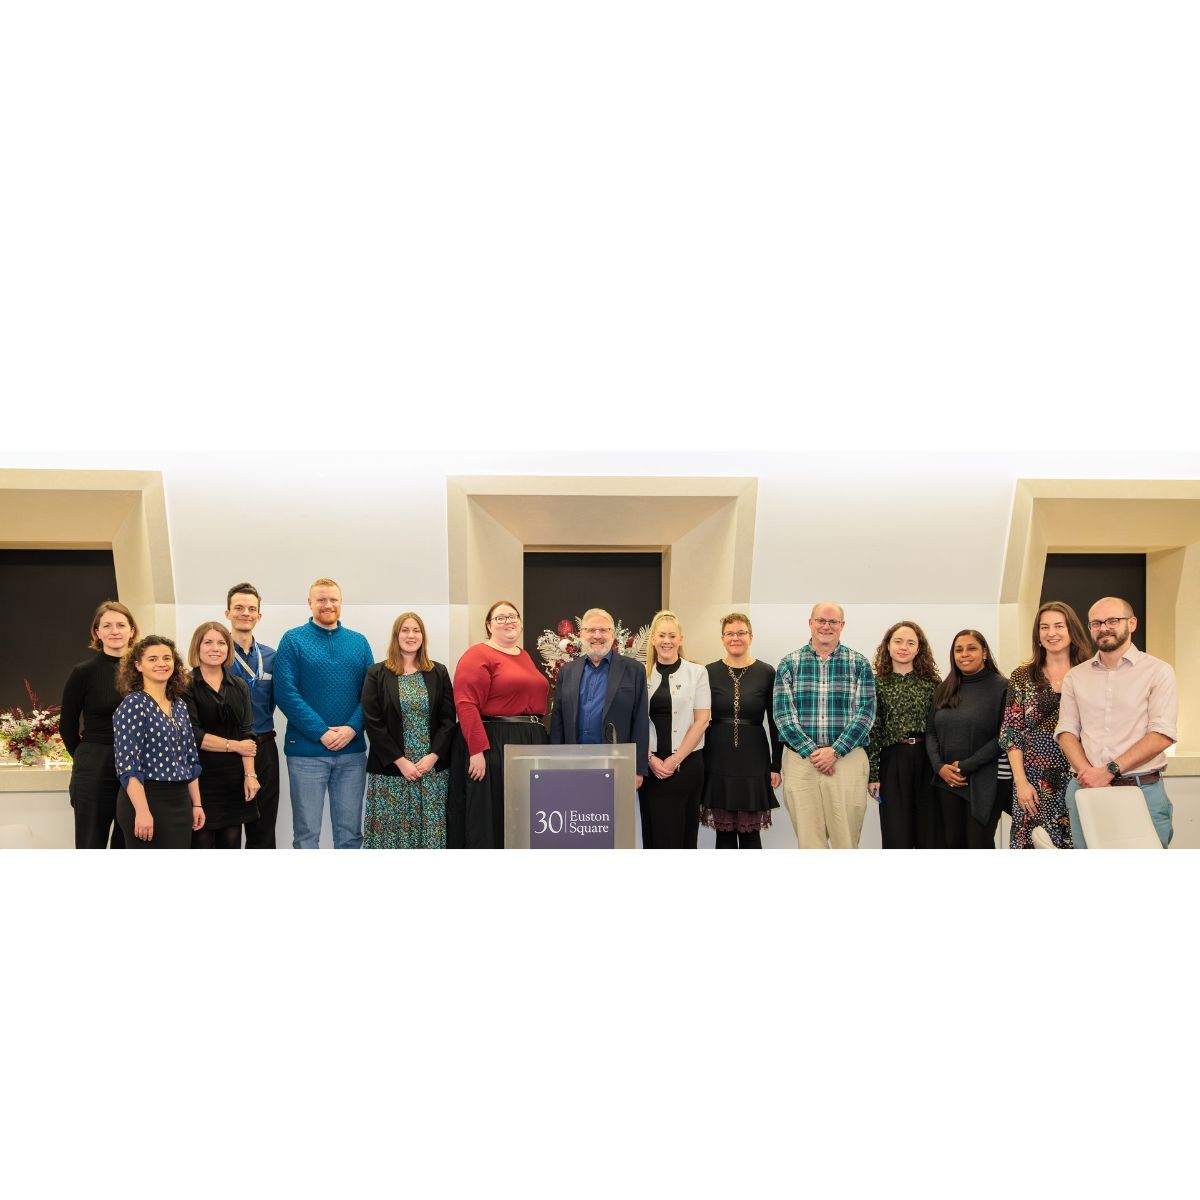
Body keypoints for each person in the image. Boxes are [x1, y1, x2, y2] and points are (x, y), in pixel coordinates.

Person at [1056, 596, 1178, 849]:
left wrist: (1108, 771)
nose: (1104, 628)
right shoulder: (1076, 676)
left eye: (1113, 620)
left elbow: (1162, 734)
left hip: (1142, 791)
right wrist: (1088, 775)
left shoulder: (1158, 671)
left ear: (1132, 624)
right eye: (1096, 623)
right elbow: (1066, 731)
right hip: (1085, 790)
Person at [274, 578, 374, 849]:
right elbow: (285, 693)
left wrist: (352, 728)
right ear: (310, 603)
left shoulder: (359, 642)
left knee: (350, 835)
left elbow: (371, 694)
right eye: (321, 600)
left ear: (341, 603)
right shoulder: (293, 640)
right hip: (306, 754)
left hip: (351, 753)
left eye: (333, 599)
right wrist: (321, 732)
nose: (327, 605)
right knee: (306, 835)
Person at [772, 602, 876, 849]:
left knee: (846, 841)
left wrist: (835, 751)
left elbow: (866, 714)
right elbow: (783, 716)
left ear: (842, 626)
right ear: (810, 623)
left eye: (833, 622)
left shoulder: (859, 663)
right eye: (821, 620)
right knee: (809, 842)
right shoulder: (789, 663)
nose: (826, 626)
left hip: (847, 760)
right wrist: (814, 752)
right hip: (801, 762)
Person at [450, 600, 549, 848]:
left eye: (513, 616)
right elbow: (466, 703)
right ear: (489, 625)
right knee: (493, 814)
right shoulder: (478, 654)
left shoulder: (523, 655)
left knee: (525, 815)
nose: (509, 621)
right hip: (495, 741)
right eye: (501, 618)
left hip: (529, 740)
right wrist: (476, 750)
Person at [999, 601, 1090, 848]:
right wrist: (1020, 782)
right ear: (1037, 635)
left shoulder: (1091, 672)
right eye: (1044, 627)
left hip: (1081, 775)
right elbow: (1011, 732)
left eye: (1059, 626)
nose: (1052, 633)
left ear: (1072, 631)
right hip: (1033, 781)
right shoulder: (1023, 675)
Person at [361, 612, 456, 849]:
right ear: (396, 635)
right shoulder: (377, 673)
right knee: (391, 838)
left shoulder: (438, 672)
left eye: (416, 630)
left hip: (430, 772)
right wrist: (400, 761)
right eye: (405, 630)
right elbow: (373, 722)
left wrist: (433, 756)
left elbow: (448, 720)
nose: (411, 635)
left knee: (429, 836)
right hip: (391, 772)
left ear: (423, 636)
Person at [59, 600, 139, 849]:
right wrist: (86, 756)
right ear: (97, 632)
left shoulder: (145, 671)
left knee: (128, 843)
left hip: (138, 767)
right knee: (90, 843)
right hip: (95, 766)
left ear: (132, 630)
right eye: (107, 625)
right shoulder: (83, 672)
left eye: (121, 625)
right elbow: (67, 725)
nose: (114, 631)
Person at [113, 635, 204, 849]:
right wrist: (142, 811)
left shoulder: (179, 705)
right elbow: (128, 766)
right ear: (138, 665)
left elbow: (191, 759)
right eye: (152, 659)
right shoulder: (133, 704)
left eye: (167, 658)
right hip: (147, 799)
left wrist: (197, 804)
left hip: (180, 801)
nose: (161, 664)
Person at [701, 612, 781, 849]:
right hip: (717, 758)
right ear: (722, 638)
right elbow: (698, 719)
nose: (735, 638)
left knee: (750, 834)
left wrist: (775, 765)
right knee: (723, 834)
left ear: (751, 637)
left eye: (741, 633)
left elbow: (775, 721)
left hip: (754, 760)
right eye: (730, 633)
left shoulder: (767, 672)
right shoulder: (708, 672)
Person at [548, 606, 649, 790]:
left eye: (603, 630)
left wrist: (637, 768)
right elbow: (558, 722)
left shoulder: (634, 670)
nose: (597, 635)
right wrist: (556, 762)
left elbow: (640, 721)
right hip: (574, 764)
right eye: (590, 630)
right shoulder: (567, 672)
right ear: (581, 634)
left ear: (613, 634)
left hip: (616, 765)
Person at [926, 629, 1009, 849]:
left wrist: (965, 767)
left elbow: (1005, 736)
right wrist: (939, 767)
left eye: (971, 648)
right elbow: (931, 732)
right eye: (958, 649)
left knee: (978, 844)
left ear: (984, 653)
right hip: (947, 781)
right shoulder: (944, 688)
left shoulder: (1003, 687)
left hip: (986, 781)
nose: (964, 654)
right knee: (952, 844)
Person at [184, 621, 260, 849]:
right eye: (208, 642)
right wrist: (234, 746)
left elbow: (247, 733)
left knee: (231, 841)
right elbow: (194, 736)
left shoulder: (239, 685)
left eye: (221, 643)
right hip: (199, 778)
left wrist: (250, 775)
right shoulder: (184, 685)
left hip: (233, 779)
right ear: (197, 647)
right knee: (202, 841)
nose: (215, 648)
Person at [638, 610, 710, 849]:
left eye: (672, 635)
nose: (666, 641)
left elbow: (702, 720)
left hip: (687, 765)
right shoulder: (640, 673)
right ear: (653, 640)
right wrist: (649, 759)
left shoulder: (697, 672)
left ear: (680, 639)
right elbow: (633, 720)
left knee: (684, 833)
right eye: (661, 635)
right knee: (655, 831)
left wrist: (674, 760)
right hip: (650, 767)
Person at [867, 620, 941, 849]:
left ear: (919, 648)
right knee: (895, 832)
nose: (903, 647)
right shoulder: (876, 684)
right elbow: (874, 731)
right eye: (898, 641)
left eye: (910, 642)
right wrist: (873, 775)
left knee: (929, 832)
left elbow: (940, 729)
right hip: (893, 761)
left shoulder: (933, 684)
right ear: (888, 646)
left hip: (927, 760)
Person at [225, 583, 279, 849]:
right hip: (228, 751)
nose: (245, 613)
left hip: (264, 747)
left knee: (264, 826)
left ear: (259, 616)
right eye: (239, 608)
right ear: (228, 613)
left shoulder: (271, 657)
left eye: (251, 609)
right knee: (230, 830)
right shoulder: (216, 655)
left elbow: (282, 698)